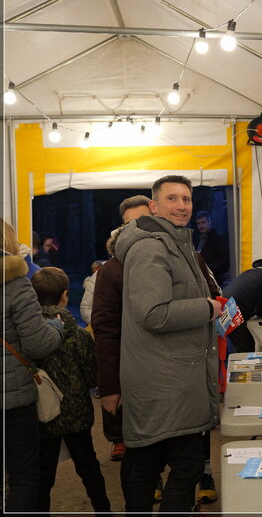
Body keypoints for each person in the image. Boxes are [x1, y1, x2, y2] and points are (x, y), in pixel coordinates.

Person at [114, 175, 222, 513]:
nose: (181, 206)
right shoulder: (151, 246)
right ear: (154, 206)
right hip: (164, 381)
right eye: (172, 199)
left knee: (157, 465)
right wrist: (207, 308)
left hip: (173, 380)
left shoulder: (175, 242)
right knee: (174, 466)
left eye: (186, 199)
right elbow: (153, 313)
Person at [31, 267, 111, 513]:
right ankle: (103, 510)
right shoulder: (79, 337)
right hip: (77, 415)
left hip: (44, 414)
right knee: (88, 466)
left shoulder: (30, 336)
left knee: (43, 473)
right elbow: (91, 376)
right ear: (65, 296)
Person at [2, 218, 63, 511]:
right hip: (13, 399)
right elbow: (37, 344)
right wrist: (56, 328)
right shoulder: (15, 282)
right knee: (24, 476)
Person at [92, 195, 154, 464]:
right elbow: (105, 330)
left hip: (169, 371)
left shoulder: (178, 257)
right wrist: (109, 387)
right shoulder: (112, 271)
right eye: (130, 224)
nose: (137, 229)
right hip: (132, 368)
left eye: (144, 221)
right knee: (140, 457)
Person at [193, 210, 230, 283]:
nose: (201, 226)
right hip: (201, 280)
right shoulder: (198, 240)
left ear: (209, 222)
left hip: (215, 280)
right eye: (198, 223)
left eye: (203, 222)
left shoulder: (218, 238)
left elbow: (225, 261)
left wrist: (208, 269)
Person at [79, 260, 105, 325]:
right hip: (95, 318)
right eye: (93, 268)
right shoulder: (90, 283)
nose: (95, 270)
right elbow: (86, 307)